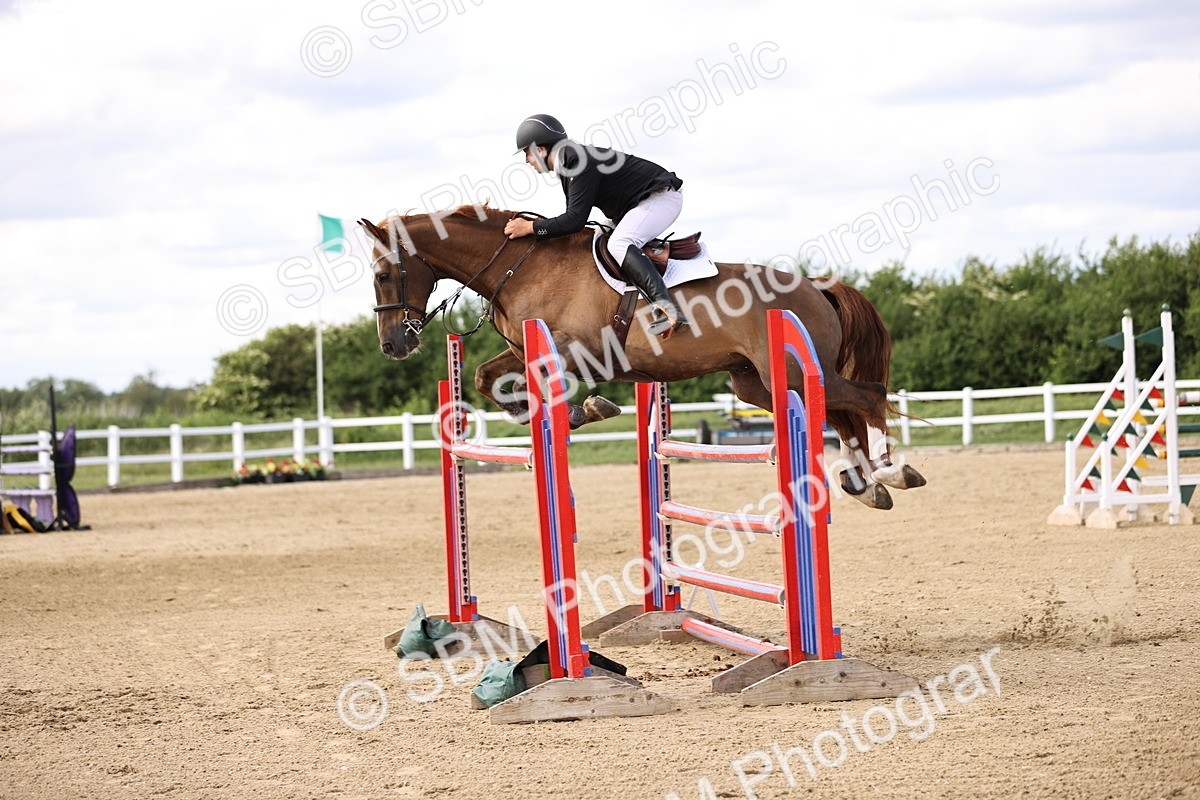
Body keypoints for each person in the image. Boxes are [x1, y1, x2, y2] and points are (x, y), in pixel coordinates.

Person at [503, 113, 688, 336]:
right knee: (596, 240)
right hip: (635, 204)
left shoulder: (576, 160)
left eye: (526, 153)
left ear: (539, 149)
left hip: (660, 198)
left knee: (619, 243)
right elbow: (575, 219)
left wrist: (531, 227)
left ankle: (668, 310)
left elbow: (574, 220)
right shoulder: (568, 161)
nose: (526, 161)